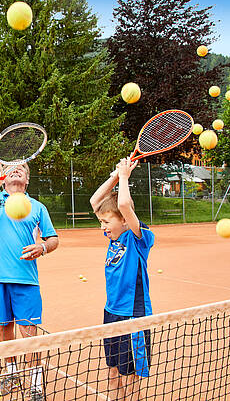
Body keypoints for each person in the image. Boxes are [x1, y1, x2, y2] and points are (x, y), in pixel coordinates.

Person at [0, 163, 59, 400]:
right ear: (4, 178)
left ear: (27, 180)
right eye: (12, 169)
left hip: (26, 279)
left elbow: (53, 238)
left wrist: (43, 247)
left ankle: (36, 384)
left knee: (29, 331)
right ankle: (11, 372)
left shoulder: (37, 207)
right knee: (4, 328)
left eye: (22, 169)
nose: (17, 170)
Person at [89, 157, 154, 401]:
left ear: (124, 221)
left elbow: (125, 205)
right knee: (113, 369)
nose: (102, 227)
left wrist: (126, 178)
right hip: (111, 312)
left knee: (131, 373)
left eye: (106, 222)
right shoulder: (114, 239)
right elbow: (96, 201)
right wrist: (116, 176)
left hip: (133, 315)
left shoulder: (139, 238)